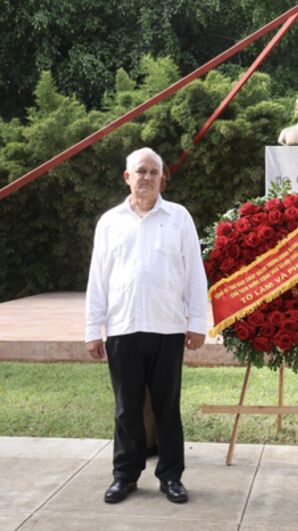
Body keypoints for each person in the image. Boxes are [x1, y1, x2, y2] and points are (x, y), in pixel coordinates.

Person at [85, 147, 208, 504]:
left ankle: (171, 476)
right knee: (127, 409)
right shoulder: (110, 222)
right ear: (127, 177)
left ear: (161, 178)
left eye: (154, 172)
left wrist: (197, 322)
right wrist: (93, 329)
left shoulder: (178, 217)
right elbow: (98, 278)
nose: (147, 178)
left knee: (167, 407)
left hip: (167, 328)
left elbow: (194, 273)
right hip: (122, 328)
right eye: (141, 171)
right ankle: (125, 476)